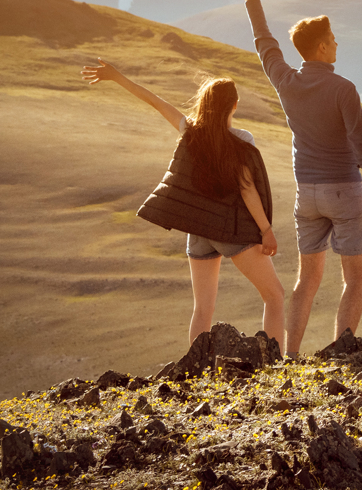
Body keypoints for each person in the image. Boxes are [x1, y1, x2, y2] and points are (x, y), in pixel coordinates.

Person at [234, 0, 362, 356]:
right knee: (356, 278)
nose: (337, 46)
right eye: (333, 41)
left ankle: (290, 356)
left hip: (308, 194)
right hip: (344, 190)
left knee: (307, 280)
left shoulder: (286, 80)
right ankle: (341, 353)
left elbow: (263, 39)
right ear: (320, 47)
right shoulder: (343, 89)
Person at [82, 61, 287, 346]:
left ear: (204, 104)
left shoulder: (190, 131)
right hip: (230, 231)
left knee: (202, 309)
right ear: (235, 105)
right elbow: (247, 189)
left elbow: (155, 101)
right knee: (274, 296)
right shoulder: (241, 139)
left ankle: (194, 372)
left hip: (198, 232)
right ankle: (274, 365)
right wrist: (266, 230)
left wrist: (117, 77)